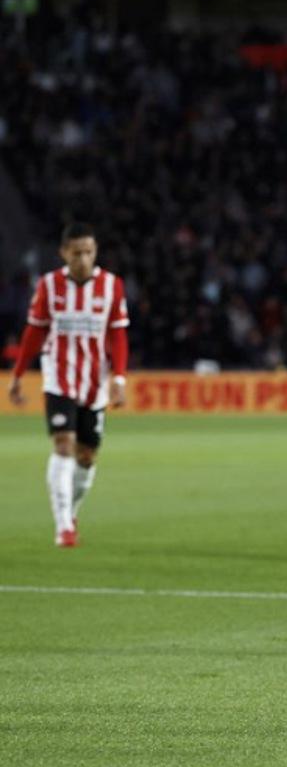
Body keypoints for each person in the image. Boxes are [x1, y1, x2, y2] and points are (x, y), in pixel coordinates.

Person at [7, 223, 130, 547]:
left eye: (89, 252)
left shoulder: (112, 286)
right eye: (76, 252)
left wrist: (119, 378)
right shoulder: (48, 286)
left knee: (87, 455)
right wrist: (18, 375)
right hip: (59, 377)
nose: (83, 259)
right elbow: (34, 333)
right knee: (63, 444)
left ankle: (71, 510)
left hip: (95, 381)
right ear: (64, 253)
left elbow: (117, 335)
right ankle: (63, 526)